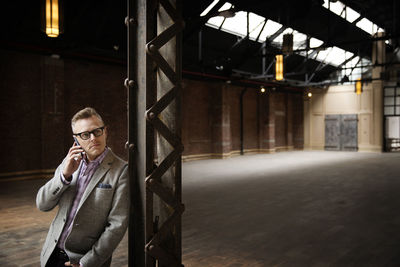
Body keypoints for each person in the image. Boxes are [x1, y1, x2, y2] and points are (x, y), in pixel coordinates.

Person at [36, 107, 129, 267]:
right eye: (85, 134)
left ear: (105, 131)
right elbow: (43, 205)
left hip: (83, 259)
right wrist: (64, 175)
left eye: (97, 131)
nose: (93, 138)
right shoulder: (69, 163)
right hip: (51, 253)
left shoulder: (122, 170)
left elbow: (117, 225)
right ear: (76, 139)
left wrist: (87, 263)